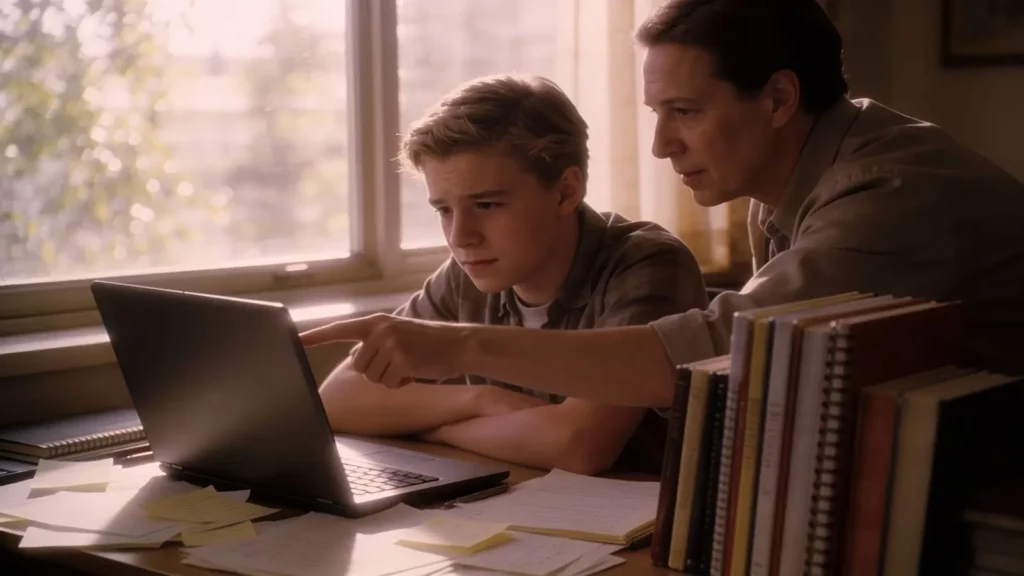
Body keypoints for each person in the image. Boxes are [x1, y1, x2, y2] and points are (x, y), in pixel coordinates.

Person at [303, 0, 1024, 409]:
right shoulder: (794, 180)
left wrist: (459, 350)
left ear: (779, 99)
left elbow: (724, 360)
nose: (660, 147)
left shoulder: (885, 195)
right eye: (655, 112)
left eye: (684, 111)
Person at [317, 73, 708, 474]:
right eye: (444, 210)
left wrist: (433, 429)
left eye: (486, 205)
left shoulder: (648, 264)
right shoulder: (468, 274)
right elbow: (338, 398)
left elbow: (577, 445)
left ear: (565, 192)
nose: (461, 237)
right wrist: (482, 401)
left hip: (649, 530)